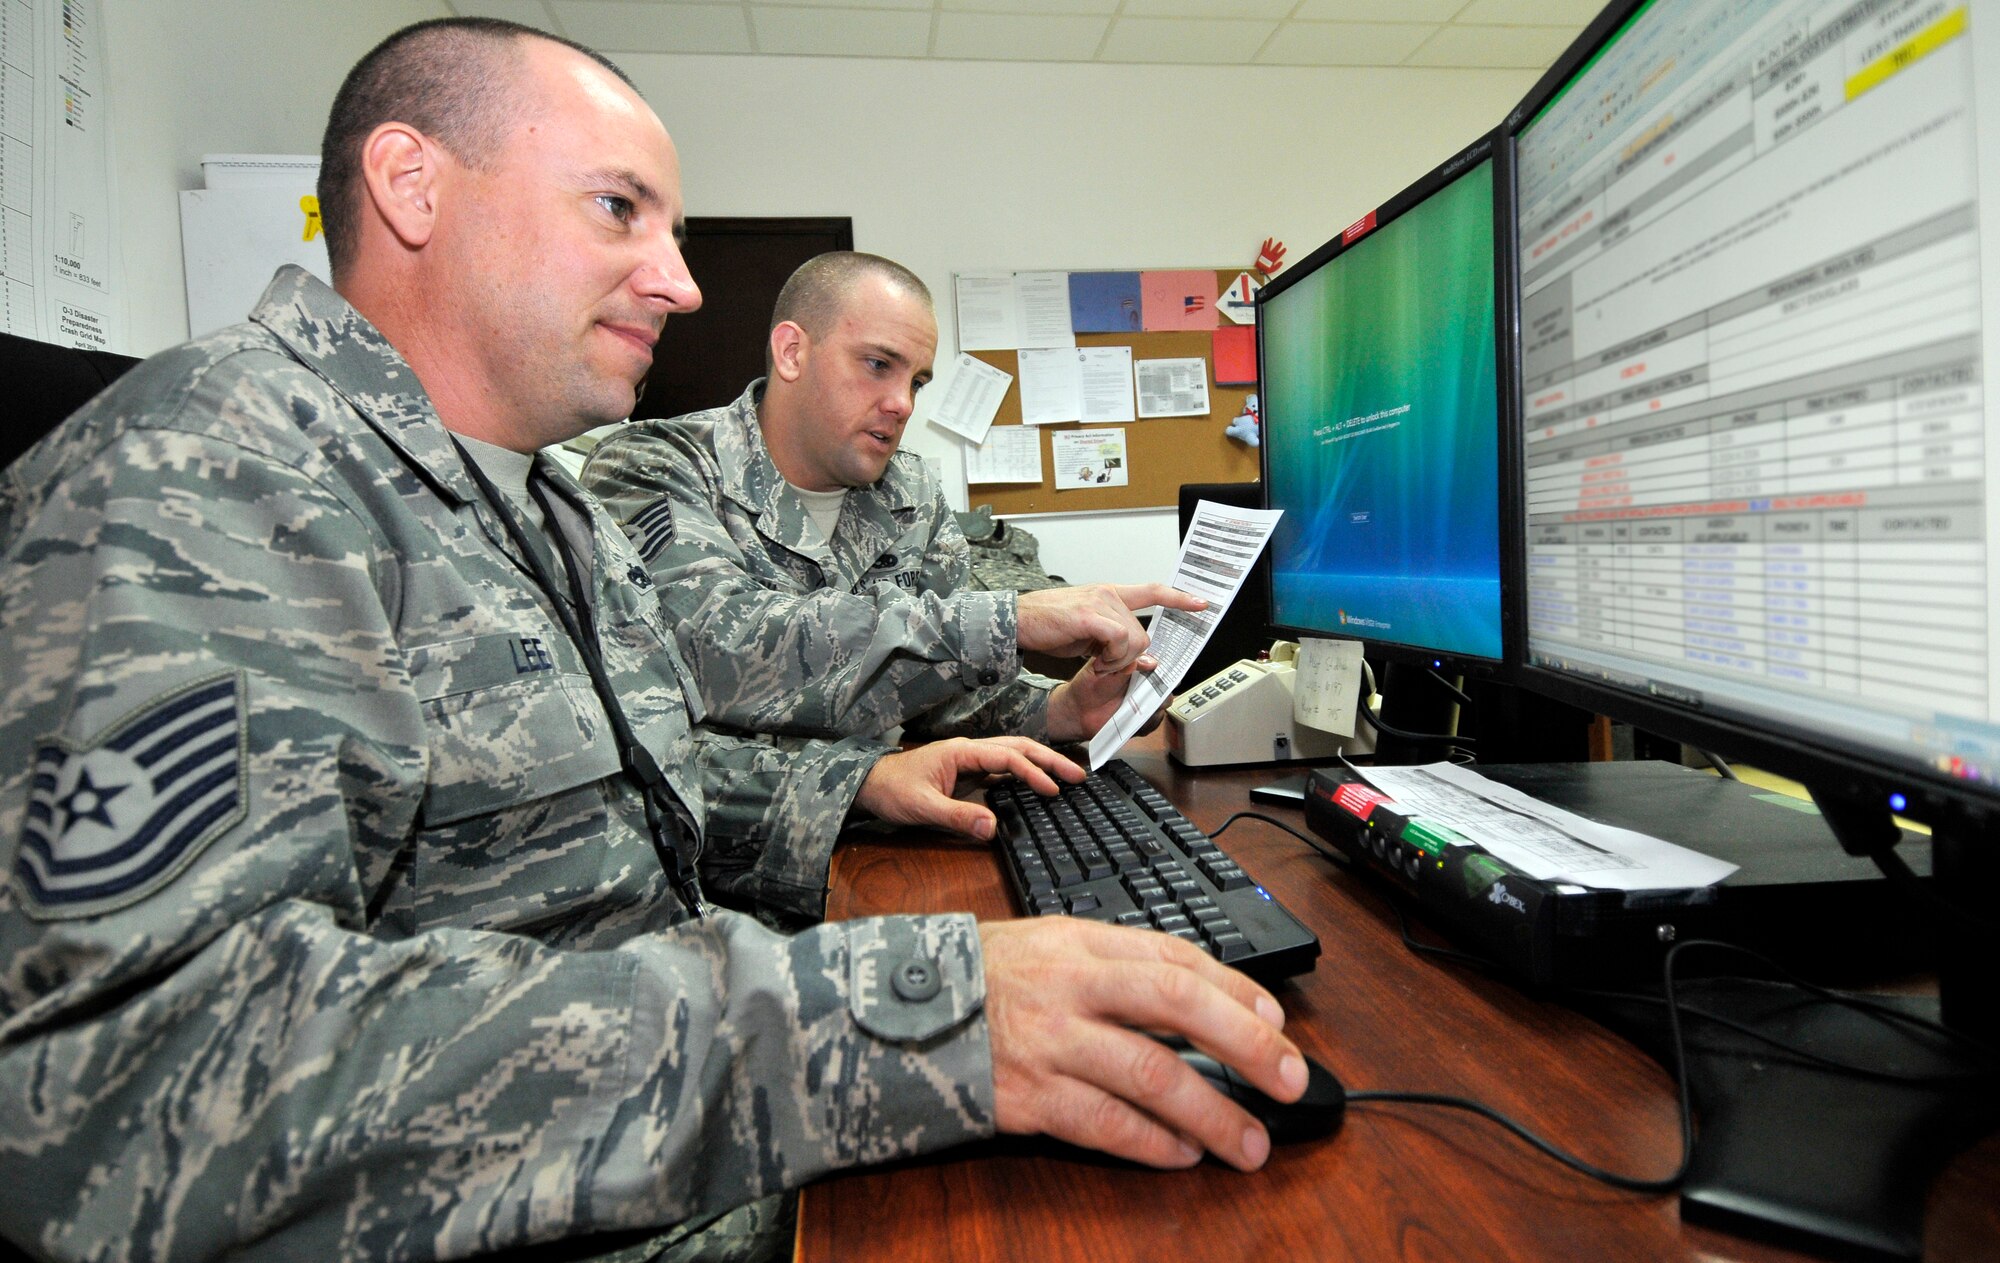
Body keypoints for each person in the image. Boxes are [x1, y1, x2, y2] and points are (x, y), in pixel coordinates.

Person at [0, 19, 1308, 1263]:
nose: (681, 283)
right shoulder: (207, 475)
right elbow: (119, 1090)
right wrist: (887, 1017)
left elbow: (605, 799)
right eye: (621, 211)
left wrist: (842, 786)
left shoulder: (539, 496)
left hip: (678, 1115)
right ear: (412, 184)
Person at [582, 253, 1204, 747]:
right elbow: (723, 653)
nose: (904, 403)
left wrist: (1064, 710)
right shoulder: (653, 466)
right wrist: (1015, 617)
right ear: (792, 352)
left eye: (917, 381)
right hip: (727, 867)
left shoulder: (912, 492)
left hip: (890, 838)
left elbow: (946, 696)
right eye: (879, 364)